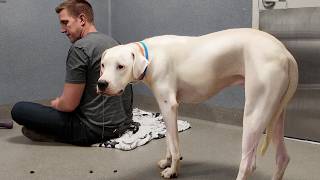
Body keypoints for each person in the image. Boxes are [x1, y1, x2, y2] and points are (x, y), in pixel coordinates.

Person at [11, 0, 133, 146]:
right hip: (123, 124)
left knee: (19, 109)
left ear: (81, 19)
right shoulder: (114, 42)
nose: (62, 29)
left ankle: (54, 134)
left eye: (65, 22)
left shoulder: (80, 48)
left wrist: (57, 104)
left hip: (94, 130)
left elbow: (69, 105)